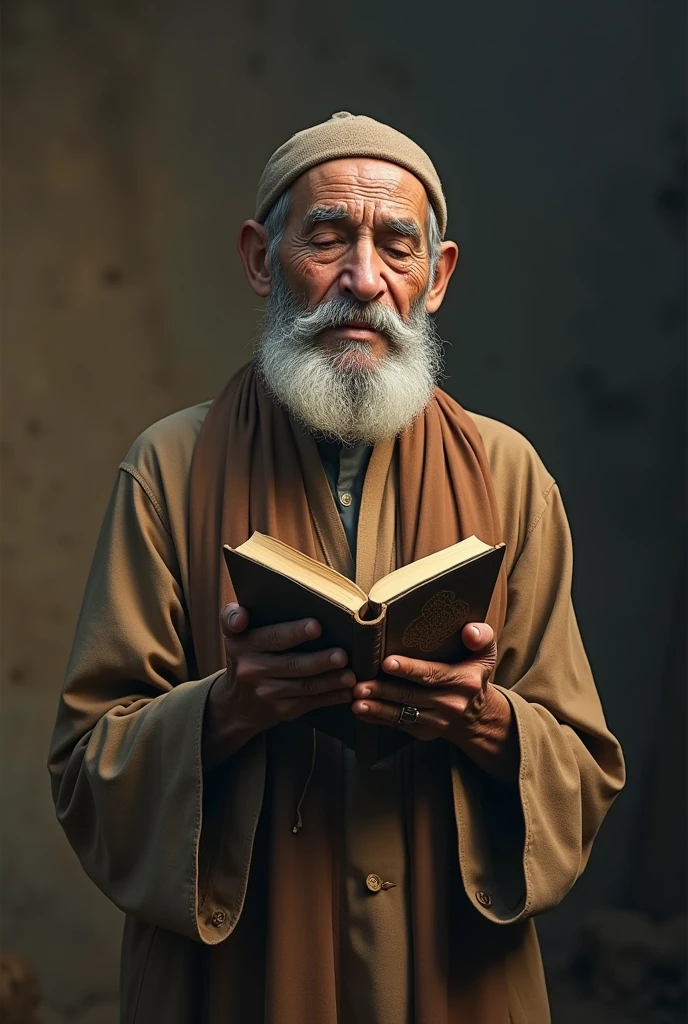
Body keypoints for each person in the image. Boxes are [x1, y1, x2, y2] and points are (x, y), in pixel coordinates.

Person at [48, 112, 625, 1024]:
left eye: (397, 246)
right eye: (327, 238)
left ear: (435, 279)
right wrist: (229, 710)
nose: (363, 280)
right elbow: (87, 767)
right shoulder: (170, 466)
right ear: (258, 259)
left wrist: (483, 720)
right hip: (240, 981)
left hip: (450, 974)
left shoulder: (509, 473)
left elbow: (584, 770)